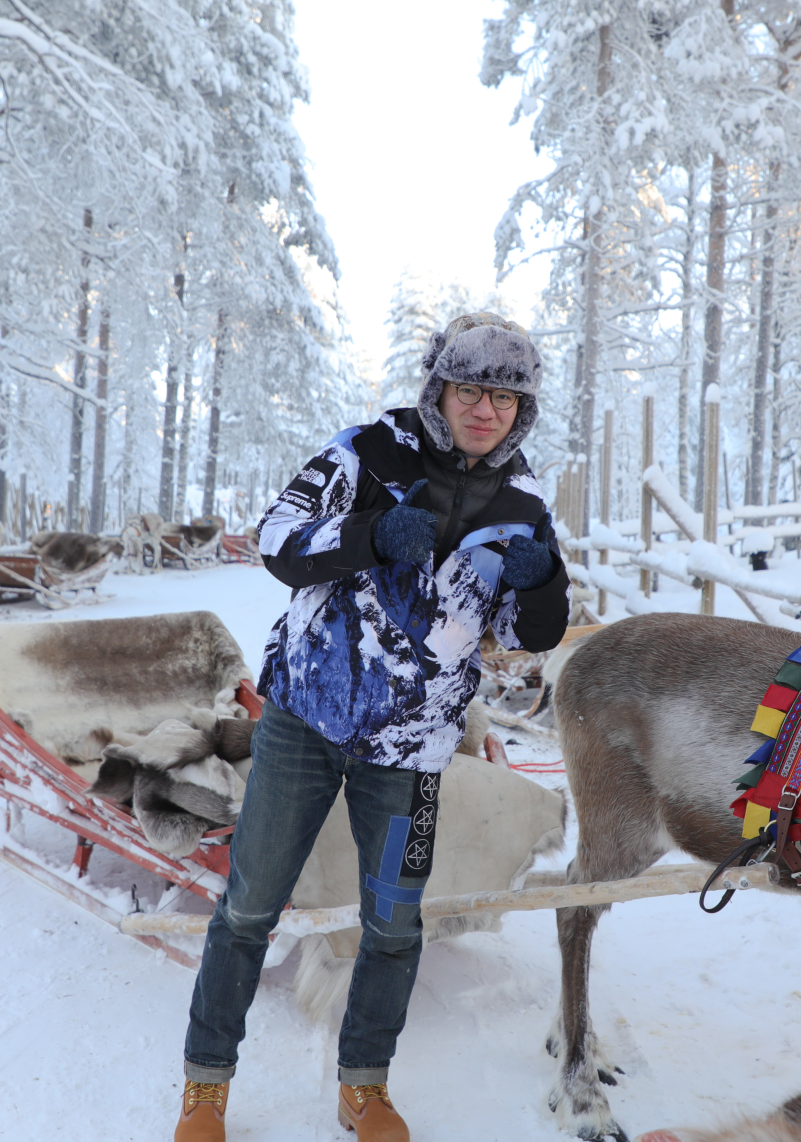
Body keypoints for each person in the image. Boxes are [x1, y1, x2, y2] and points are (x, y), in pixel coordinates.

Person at [175, 313, 571, 1142]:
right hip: (306, 718)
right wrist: (366, 536)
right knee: (249, 906)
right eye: (470, 390)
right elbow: (277, 542)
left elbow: (530, 635)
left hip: (417, 747)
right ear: (440, 390)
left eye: (505, 395)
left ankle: (366, 1085)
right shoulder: (368, 452)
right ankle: (205, 1088)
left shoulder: (525, 502)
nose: (486, 409)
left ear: (521, 408)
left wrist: (541, 586)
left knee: (394, 921)